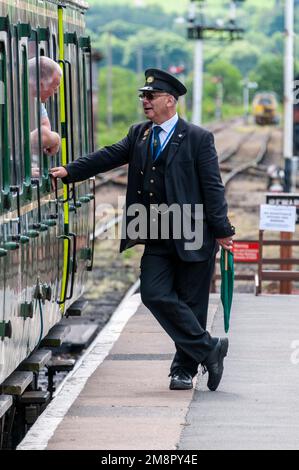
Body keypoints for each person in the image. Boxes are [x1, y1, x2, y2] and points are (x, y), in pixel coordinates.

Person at [50, 69, 235, 392]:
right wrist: (69, 171)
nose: (144, 102)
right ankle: (209, 349)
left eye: (150, 97)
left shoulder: (197, 138)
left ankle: (183, 371)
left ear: (169, 101)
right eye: (143, 97)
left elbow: (213, 188)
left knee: (192, 303)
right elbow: (108, 156)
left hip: (193, 232)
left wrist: (223, 230)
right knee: (153, 293)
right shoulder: (140, 134)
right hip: (157, 231)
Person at [29, 56, 62, 157]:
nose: (55, 93)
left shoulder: (37, 102)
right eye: (55, 88)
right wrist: (56, 138)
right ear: (41, 84)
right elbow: (43, 136)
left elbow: (44, 129)